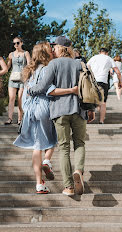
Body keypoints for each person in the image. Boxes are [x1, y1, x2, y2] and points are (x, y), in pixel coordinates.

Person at [13, 42, 78, 194]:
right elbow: (51, 91)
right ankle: (47, 161)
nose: (52, 51)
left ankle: (39, 184)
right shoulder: (47, 68)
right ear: (45, 53)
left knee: (37, 146)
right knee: (54, 137)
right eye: (50, 50)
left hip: (29, 110)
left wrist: (21, 112)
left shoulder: (29, 71)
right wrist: (72, 90)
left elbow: (22, 94)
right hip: (43, 107)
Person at [28, 36, 87, 197]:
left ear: (62, 48)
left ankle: (68, 186)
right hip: (79, 110)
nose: (53, 49)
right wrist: (92, 108)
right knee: (80, 143)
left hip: (60, 111)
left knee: (64, 148)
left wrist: (30, 90)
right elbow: (89, 87)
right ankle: (79, 171)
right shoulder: (80, 64)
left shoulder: (54, 64)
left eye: (55, 46)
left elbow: (42, 87)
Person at [87, 48, 122, 124]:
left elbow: (86, 68)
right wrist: (120, 82)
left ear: (100, 52)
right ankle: (101, 121)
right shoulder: (109, 59)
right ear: (107, 53)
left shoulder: (93, 58)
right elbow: (118, 72)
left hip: (93, 82)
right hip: (103, 82)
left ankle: (88, 120)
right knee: (103, 102)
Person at [5, 37, 30, 126]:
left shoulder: (26, 53)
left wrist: (29, 77)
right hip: (13, 78)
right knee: (11, 98)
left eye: (17, 43)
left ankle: (20, 119)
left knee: (20, 99)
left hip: (23, 79)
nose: (16, 45)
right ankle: (9, 118)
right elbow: (7, 67)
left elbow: (29, 65)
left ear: (22, 43)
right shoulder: (11, 54)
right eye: (14, 43)